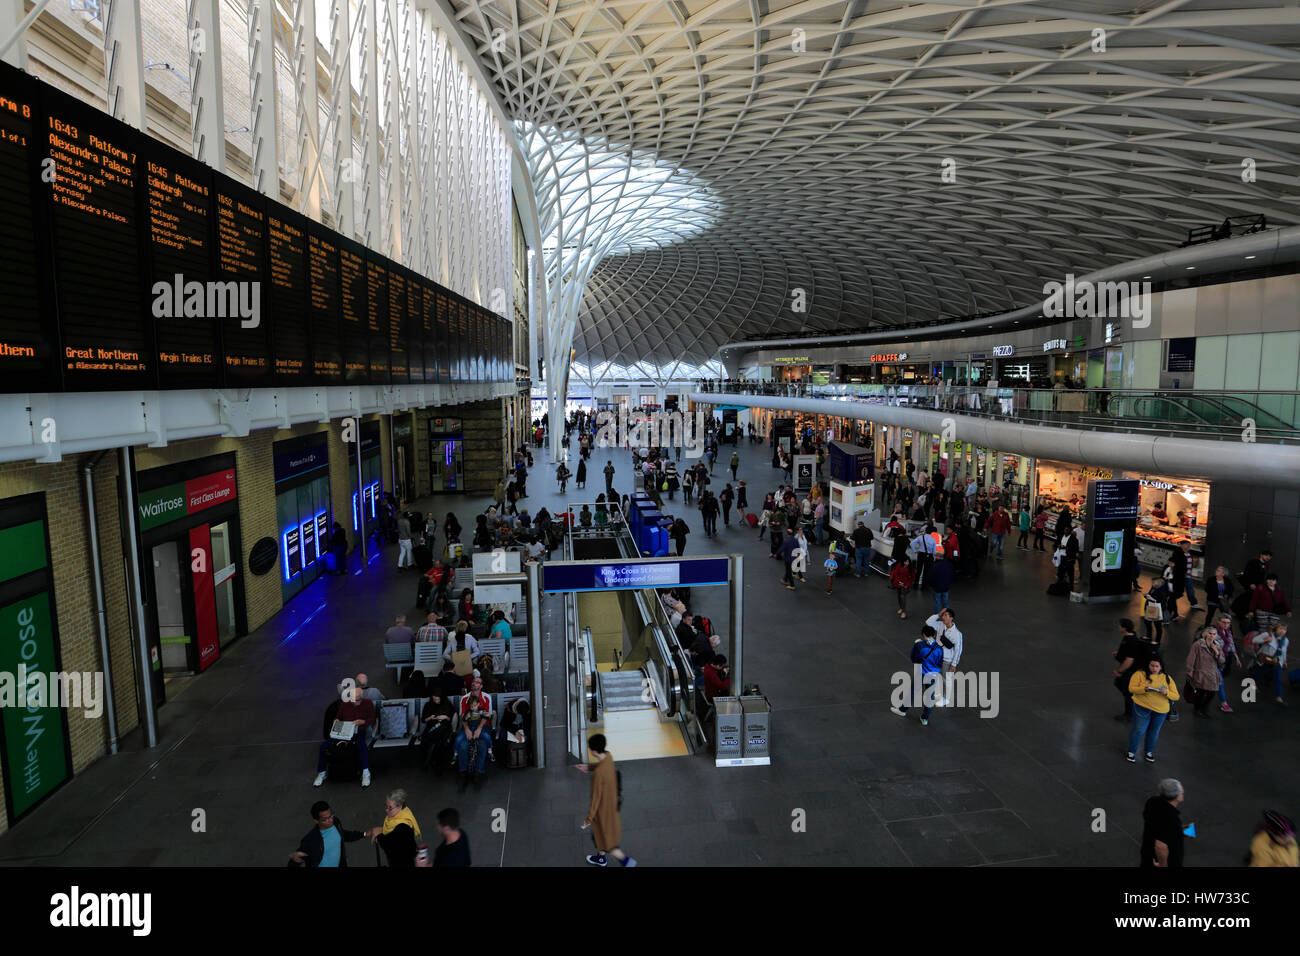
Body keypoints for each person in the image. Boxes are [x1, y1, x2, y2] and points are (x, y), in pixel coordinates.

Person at [578, 734, 636, 867]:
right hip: (612, 805)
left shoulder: (599, 774)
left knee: (606, 842)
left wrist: (588, 819)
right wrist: (589, 767)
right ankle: (601, 859)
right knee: (601, 838)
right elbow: (602, 765)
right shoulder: (608, 757)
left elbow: (595, 798)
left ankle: (626, 861)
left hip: (603, 812)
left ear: (593, 751)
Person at [314, 683, 374, 788]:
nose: (357, 702)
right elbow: (338, 717)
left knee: (361, 746)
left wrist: (363, 721)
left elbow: (372, 719)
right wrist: (336, 720)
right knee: (324, 746)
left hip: (358, 730)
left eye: (359, 699)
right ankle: (322, 773)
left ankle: (366, 772)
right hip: (344, 729)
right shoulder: (345, 704)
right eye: (355, 700)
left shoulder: (368, 703)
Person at [1127, 657, 1180, 764]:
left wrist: (1166, 693)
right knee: (1139, 730)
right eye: (1152, 666)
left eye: (1157, 666)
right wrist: (1144, 689)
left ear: (1161, 667)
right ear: (1148, 665)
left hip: (1161, 711)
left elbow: (1176, 696)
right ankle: (1132, 752)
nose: (1154, 668)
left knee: (1154, 732)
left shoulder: (1167, 678)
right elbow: (1131, 688)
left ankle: (1148, 752)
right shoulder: (1139, 674)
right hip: (1142, 707)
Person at [891, 624, 944, 725]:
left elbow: (914, 659)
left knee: (912, 692)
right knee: (929, 696)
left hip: (921, 673)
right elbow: (940, 663)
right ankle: (925, 718)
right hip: (933, 674)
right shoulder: (939, 648)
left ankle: (902, 710)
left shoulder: (919, 645)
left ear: (923, 635)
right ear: (933, 635)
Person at [289, 801, 366, 867]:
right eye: (325, 819)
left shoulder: (336, 822)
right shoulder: (310, 840)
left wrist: (365, 834)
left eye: (330, 816)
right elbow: (297, 858)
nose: (330, 820)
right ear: (316, 821)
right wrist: (295, 862)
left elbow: (343, 835)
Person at [454, 676, 494, 789]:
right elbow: (463, 717)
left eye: (477, 682)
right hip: (468, 725)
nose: (474, 684)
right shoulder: (465, 699)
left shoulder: (486, 697)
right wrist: (466, 729)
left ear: (481, 686)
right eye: (473, 682)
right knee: (462, 745)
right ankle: (463, 772)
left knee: (482, 745)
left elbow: (488, 715)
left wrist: (479, 728)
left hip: (482, 726)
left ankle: (478, 772)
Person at [365, 789, 421, 868]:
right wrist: (381, 830)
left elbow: (388, 845)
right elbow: (393, 834)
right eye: (386, 806)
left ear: (400, 806)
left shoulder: (403, 827)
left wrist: (379, 834)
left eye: (390, 808)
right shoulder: (402, 813)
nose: (386, 810)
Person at [1111, 619, 1153, 721]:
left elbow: (1129, 660)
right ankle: (1134, 704)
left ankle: (1129, 714)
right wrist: (1119, 653)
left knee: (1127, 691)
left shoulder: (1131, 641)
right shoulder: (1129, 637)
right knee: (1119, 684)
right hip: (1129, 670)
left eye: (1120, 626)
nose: (1119, 627)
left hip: (1130, 671)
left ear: (1124, 628)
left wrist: (1119, 671)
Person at [1139, 779, 1185, 868]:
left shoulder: (1152, 802)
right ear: (1177, 797)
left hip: (1147, 854)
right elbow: (1160, 845)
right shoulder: (1172, 818)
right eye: (1181, 793)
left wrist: (1180, 831)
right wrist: (1163, 864)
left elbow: (1161, 827)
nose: (1183, 794)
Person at [1184, 627, 1225, 718]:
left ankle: (1204, 708)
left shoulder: (1217, 646)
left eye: (1214, 634)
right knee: (1200, 693)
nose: (1212, 636)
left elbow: (1222, 661)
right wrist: (1190, 670)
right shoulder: (1198, 645)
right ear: (1206, 634)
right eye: (1210, 633)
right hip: (1200, 673)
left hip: (1212, 674)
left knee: (1211, 694)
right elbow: (1191, 658)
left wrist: (1216, 652)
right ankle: (1197, 709)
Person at [1250, 622, 1289, 706]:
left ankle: (1279, 697)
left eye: (1284, 629)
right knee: (1259, 673)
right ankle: (1254, 685)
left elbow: (1284, 651)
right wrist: (1265, 640)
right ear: (1276, 629)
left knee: (1278, 679)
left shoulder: (1285, 640)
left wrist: (1284, 661)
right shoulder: (1268, 635)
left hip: (1276, 661)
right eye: (1280, 629)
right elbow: (1254, 640)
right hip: (1265, 659)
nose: (1282, 631)